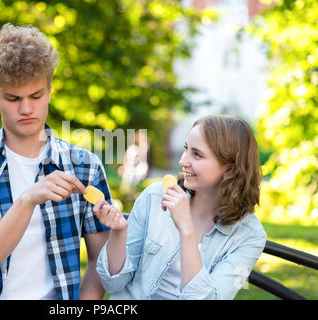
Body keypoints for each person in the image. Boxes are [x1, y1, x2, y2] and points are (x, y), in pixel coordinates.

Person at [0, 23, 112, 300]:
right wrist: (28, 199)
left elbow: (99, 262)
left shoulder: (84, 165)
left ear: (50, 90)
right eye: (13, 98)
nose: (26, 109)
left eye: (36, 96)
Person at [95, 114, 267, 299]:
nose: (183, 161)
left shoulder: (250, 235)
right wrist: (119, 233)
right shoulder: (155, 197)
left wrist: (186, 230)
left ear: (230, 168)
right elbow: (114, 284)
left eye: (197, 155)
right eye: (187, 149)